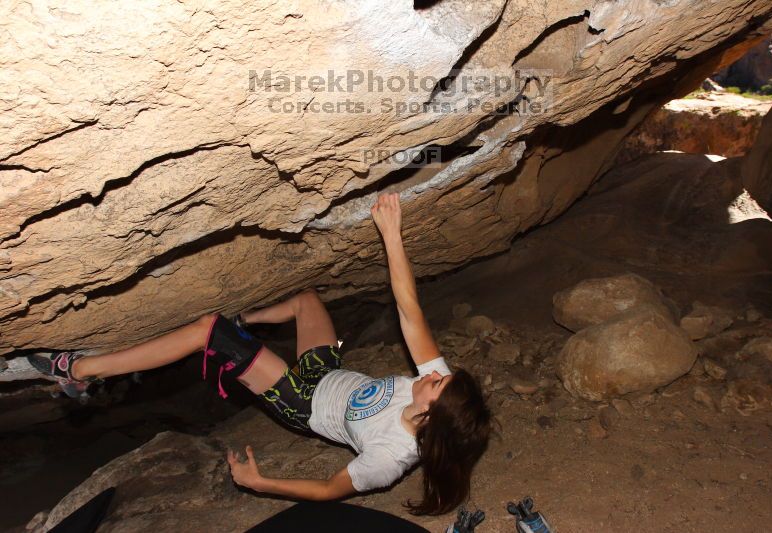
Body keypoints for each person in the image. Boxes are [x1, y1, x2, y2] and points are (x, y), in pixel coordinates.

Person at [28, 193, 491, 515]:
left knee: (207, 331)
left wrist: (259, 483)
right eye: (442, 375)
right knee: (306, 301)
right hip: (330, 372)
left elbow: (329, 489)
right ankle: (245, 322)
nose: (434, 373)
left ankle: (79, 371)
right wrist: (391, 233)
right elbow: (410, 311)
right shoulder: (434, 391)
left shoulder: (388, 457)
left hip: (303, 404)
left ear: (430, 417)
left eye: (437, 384)